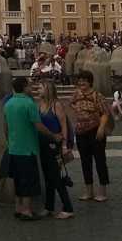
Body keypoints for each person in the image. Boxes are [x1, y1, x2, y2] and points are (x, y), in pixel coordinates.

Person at [3, 78, 63, 220]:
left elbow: (5, 126)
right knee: (28, 180)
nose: (31, 87)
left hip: (14, 147)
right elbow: (38, 126)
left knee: (17, 179)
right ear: (24, 87)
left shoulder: (8, 103)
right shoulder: (29, 103)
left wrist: (9, 141)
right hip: (27, 147)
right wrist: (53, 135)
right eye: (29, 85)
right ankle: (27, 210)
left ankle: (18, 208)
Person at [70, 70, 111, 202]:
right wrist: (77, 114)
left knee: (100, 161)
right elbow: (71, 104)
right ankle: (89, 190)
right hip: (81, 132)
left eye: (84, 80)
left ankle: (102, 191)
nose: (81, 83)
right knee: (85, 161)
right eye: (80, 80)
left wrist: (101, 127)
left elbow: (105, 113)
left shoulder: (97, 95)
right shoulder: (76, 94)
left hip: (95, 131)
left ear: (90, 82)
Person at [37, 80, 73, 218]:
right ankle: (49, 207)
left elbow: (64, 125)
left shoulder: (56, 105)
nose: (38, 89)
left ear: (47, 89)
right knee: (48, 177)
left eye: (40, 87)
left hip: (55, 144)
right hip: (43, 144)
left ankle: (68, 208)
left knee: (56, 177)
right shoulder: (40, 104)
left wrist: (64, 145)